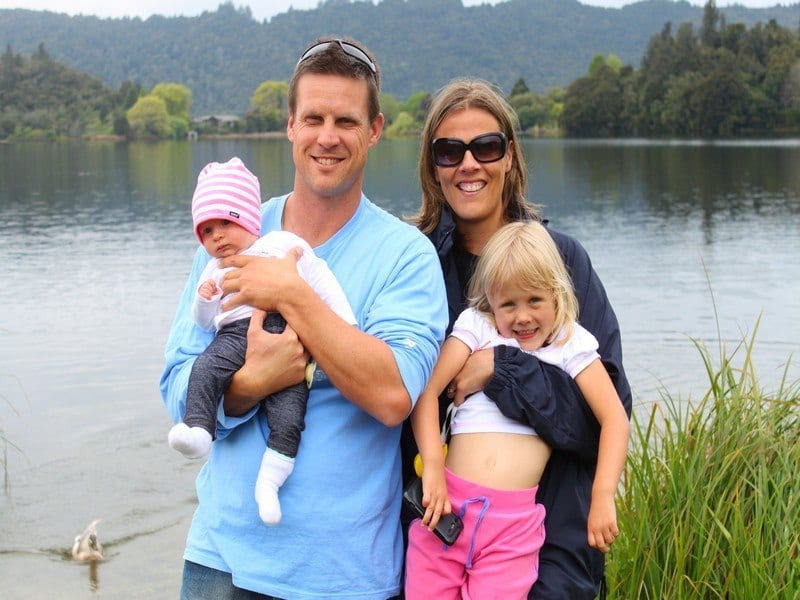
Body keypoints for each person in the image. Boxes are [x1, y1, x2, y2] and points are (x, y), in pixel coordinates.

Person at [160, 37, 448, 599]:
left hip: (341, 575)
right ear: (290, 125)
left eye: (346, 120)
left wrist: (293, 295)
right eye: (312, 117)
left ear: (375, 129)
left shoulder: (405, 255)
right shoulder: (227, 236)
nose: (327, 136)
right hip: (221, 561)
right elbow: (177, 386)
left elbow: (393, 397)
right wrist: (249, 387)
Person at [401, 78, 632, 599]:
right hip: (437, 534)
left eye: (486, 146)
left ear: (510, 156)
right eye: (448, 150)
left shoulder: (562, 263)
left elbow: (603, 417)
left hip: (549, 553)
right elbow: (396, 401)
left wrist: (500, 368)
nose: (468, 164)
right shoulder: (414, 265)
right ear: (431, 166)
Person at [167, 156, 358, 526]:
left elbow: (319, 279)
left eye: (226, 223)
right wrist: (204, 300)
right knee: (204, 369)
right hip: (230, 338)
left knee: (290, 414)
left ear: (247, 219)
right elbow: (204, 325)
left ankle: (269, 482)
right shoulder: (211, 268)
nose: (218, 236)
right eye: (207, 231)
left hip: (284, 330)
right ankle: (199, 430)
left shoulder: (280, 245)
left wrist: (344, 323)